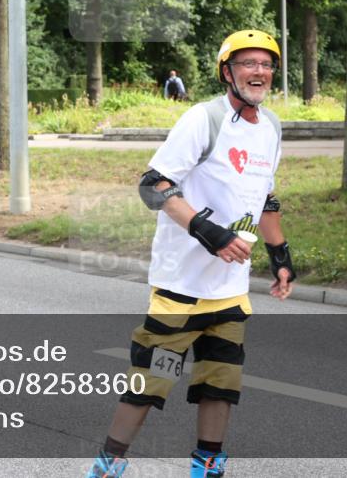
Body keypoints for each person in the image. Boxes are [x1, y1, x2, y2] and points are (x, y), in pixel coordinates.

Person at [87, 30, 296, 478]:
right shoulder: (204, 120)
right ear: (227, 72)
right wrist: (210, 233)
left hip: (229, 294)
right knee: (150, 382)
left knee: (220, 386)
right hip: (180, 292)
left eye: (266, 64)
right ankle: (107, 467)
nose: (258, 72)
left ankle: (207, 469)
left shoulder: (272, 127)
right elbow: (154, 184)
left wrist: (280, 255)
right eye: (247, 64)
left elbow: (266, 197)